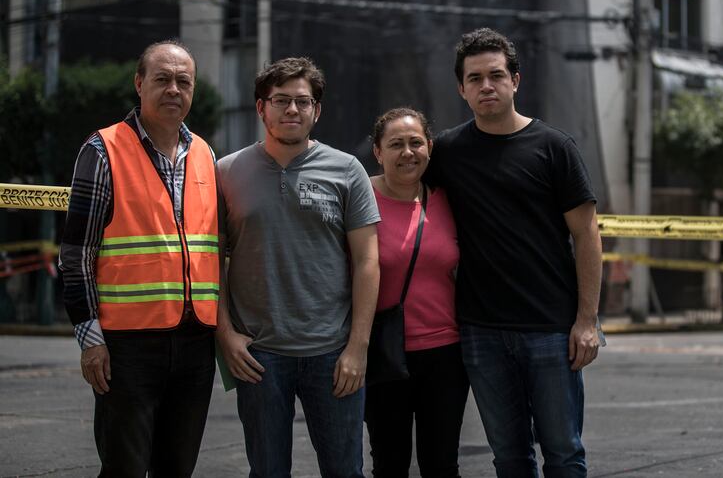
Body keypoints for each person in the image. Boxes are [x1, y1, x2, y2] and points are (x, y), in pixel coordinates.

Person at [426, 28, 603, 477]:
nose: (487, 86)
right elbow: (399, 189)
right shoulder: (447, 150)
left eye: (496, 75)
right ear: (462, 89)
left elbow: (587, 235)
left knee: (564, 454)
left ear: (515, 81)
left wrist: (587, 320)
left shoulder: (554, 147)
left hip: (550, 327)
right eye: (475, 78)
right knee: (509, 457)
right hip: (480, 330)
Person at [59, 40, 219, 477]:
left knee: (177, 468)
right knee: (125, 468)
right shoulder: (102, 150)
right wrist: (90, 340)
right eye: (162, 79)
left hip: (194, 342)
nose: (173, 89)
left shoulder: (205, 154)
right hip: (126, 346)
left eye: (183, 81)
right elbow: (77, 254)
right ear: (139, 83)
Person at [215, 57, 380, 477]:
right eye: (281, 100)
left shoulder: (347, 170)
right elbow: (209, 260)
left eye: (302, 102)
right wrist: (226, 336)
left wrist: (358, 347)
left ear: (316, 110)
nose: (292, 110)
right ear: (260, 107)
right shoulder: (226, 173)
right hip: (259, 354)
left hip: (333, 352)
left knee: (345, 471)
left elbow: (367, 261)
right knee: (268, 471)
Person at [364, 107, 469, 477]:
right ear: (378, 152)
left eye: (415, 143)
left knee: (441, 464)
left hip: (445, 354)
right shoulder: (359, 199)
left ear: (429, 147)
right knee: (389, 464)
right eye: (395, 144)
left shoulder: (448, 198)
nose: (407, 152)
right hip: (382, 353)